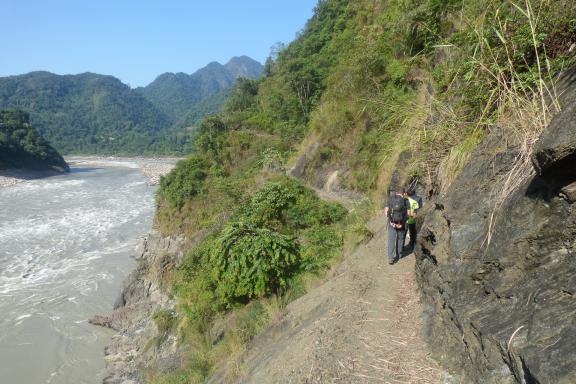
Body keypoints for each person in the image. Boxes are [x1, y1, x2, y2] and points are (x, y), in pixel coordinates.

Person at [384, 187, 412, 265]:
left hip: (391, 223)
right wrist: (402, 223)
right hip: (401, 224)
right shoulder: (406, 201)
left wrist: (392, 221)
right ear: (404, 194)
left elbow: (386, 212)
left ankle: (390, 257)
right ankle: (399, 255)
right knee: (400, 239)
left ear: (396, 193)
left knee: (391, 239)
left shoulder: (390, 199)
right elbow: (409, 214)